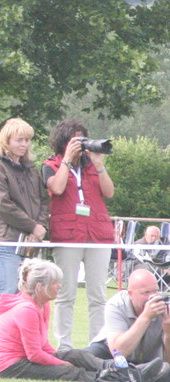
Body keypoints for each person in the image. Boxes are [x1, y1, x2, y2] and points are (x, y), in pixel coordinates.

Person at [41, 119, 114, 352]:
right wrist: (67, 160)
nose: (80, 144)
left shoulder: (91, 165)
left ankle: (99, 345)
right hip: (68, 235)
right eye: (75, 140)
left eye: (83, 139)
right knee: (65, 294)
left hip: (97, 234)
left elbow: (109, 192)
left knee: (98, 296)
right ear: (63, 142)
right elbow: (57, 188)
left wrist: (99, 164)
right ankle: (64, 346)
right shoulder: (50, 165)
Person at [0, 118, 49, 359]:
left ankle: (21, 346)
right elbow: (2, 204)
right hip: (6, 238)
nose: (24, 144)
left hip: (30, 240)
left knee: (29, 294)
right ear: (7, 141)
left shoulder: (30, 168)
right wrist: (33, 226)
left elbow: (43, 201)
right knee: (8, 290)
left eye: (27, 140)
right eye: (19, 139)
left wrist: (39, 227)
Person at [0, 259, 121, 382]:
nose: (59, 286)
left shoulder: (43, 305)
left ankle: (117, 368)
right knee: (69, 372)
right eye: (55, 283)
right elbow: (34, 354)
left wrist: (59, 358)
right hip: (10, 366)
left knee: (76, 355)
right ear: (40, 287)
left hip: (25, 359)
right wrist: (61, 363)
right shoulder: (26, 310)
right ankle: (114, 379)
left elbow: (43, 345)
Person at [84, 268, 170, 370]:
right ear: (130, 294)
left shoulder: (165, 305)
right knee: (80, 359)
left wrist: (167, 331)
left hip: (151, 358)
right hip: (110, 351)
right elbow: (118, 352)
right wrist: (146, 317)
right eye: (145, 292)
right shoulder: (117, 305)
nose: (152, 297)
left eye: (155, 291)